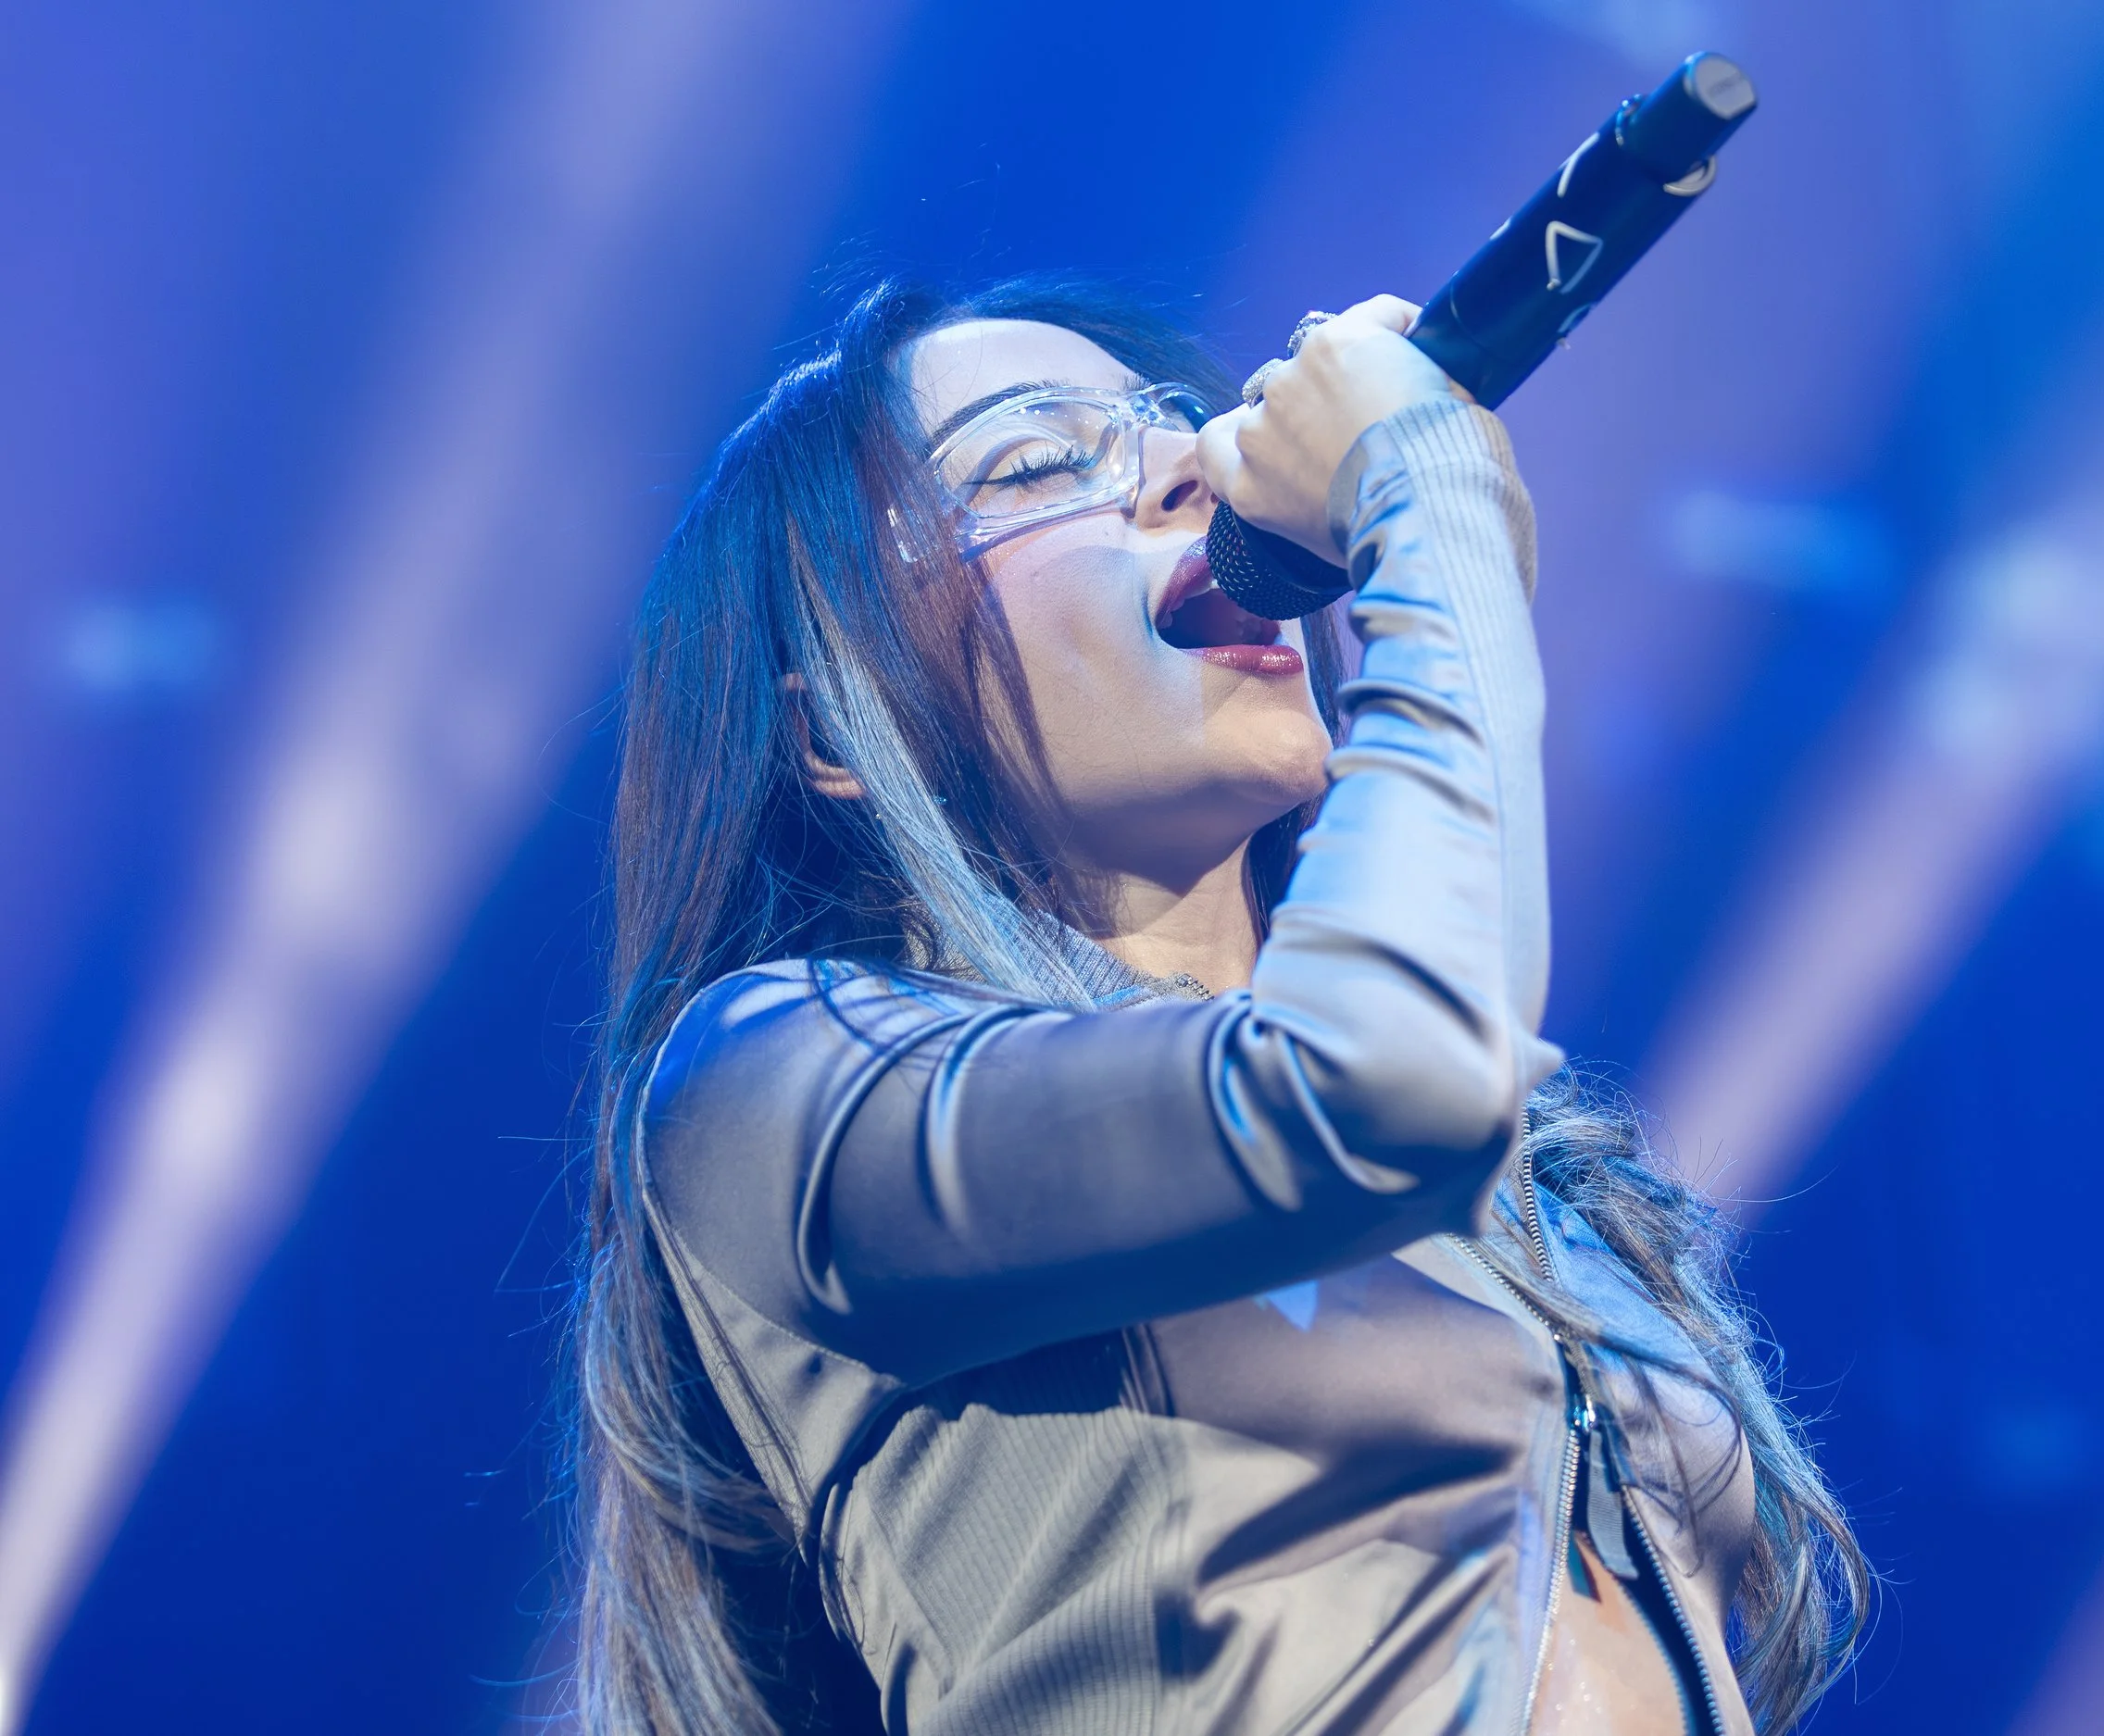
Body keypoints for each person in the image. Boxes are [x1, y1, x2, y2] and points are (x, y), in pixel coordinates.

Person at [571, 274, 1866, 1736]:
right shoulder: (772, 1084)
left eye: (1178, 426)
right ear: (830, 727)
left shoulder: (1532, 1195)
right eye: (1040, 461)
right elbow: (1377, 1085)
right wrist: (1423, 498)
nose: (1199, 464)